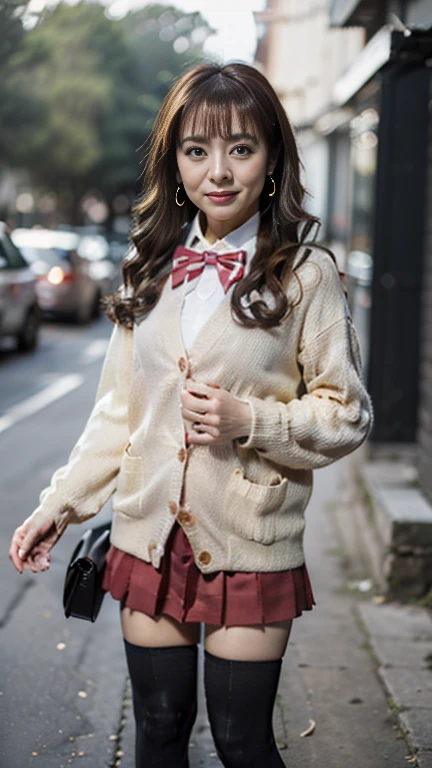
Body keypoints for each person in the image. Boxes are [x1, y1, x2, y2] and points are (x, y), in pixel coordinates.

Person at [9, 62, 374, 768]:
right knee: (160, 725)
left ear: (272, 159)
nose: (219, 170)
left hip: (250, 537)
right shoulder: (147, 268)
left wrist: (253, 422)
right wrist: (60, 505)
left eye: (241, 148)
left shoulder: (305, 273)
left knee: (241, 742)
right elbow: (119, 413)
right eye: (197, 150)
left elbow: (348, 413)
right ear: (174, 163)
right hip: (148, 534)